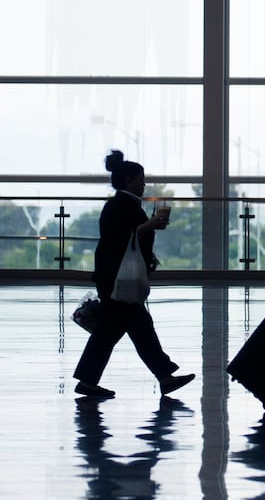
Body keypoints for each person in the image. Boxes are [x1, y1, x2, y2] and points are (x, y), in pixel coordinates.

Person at [73, 150, 194, 398]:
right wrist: (150, 224)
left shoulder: (121, 205)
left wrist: (149, 226)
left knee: (115, 331)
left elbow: (125, 236)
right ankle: (164, 376)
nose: (144, 184)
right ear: (129, 180)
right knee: (134, 327)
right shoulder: (120, 206)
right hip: (117, 280)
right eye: (140, 179)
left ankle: (90, 381)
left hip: (116, 279)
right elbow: (120, 237)